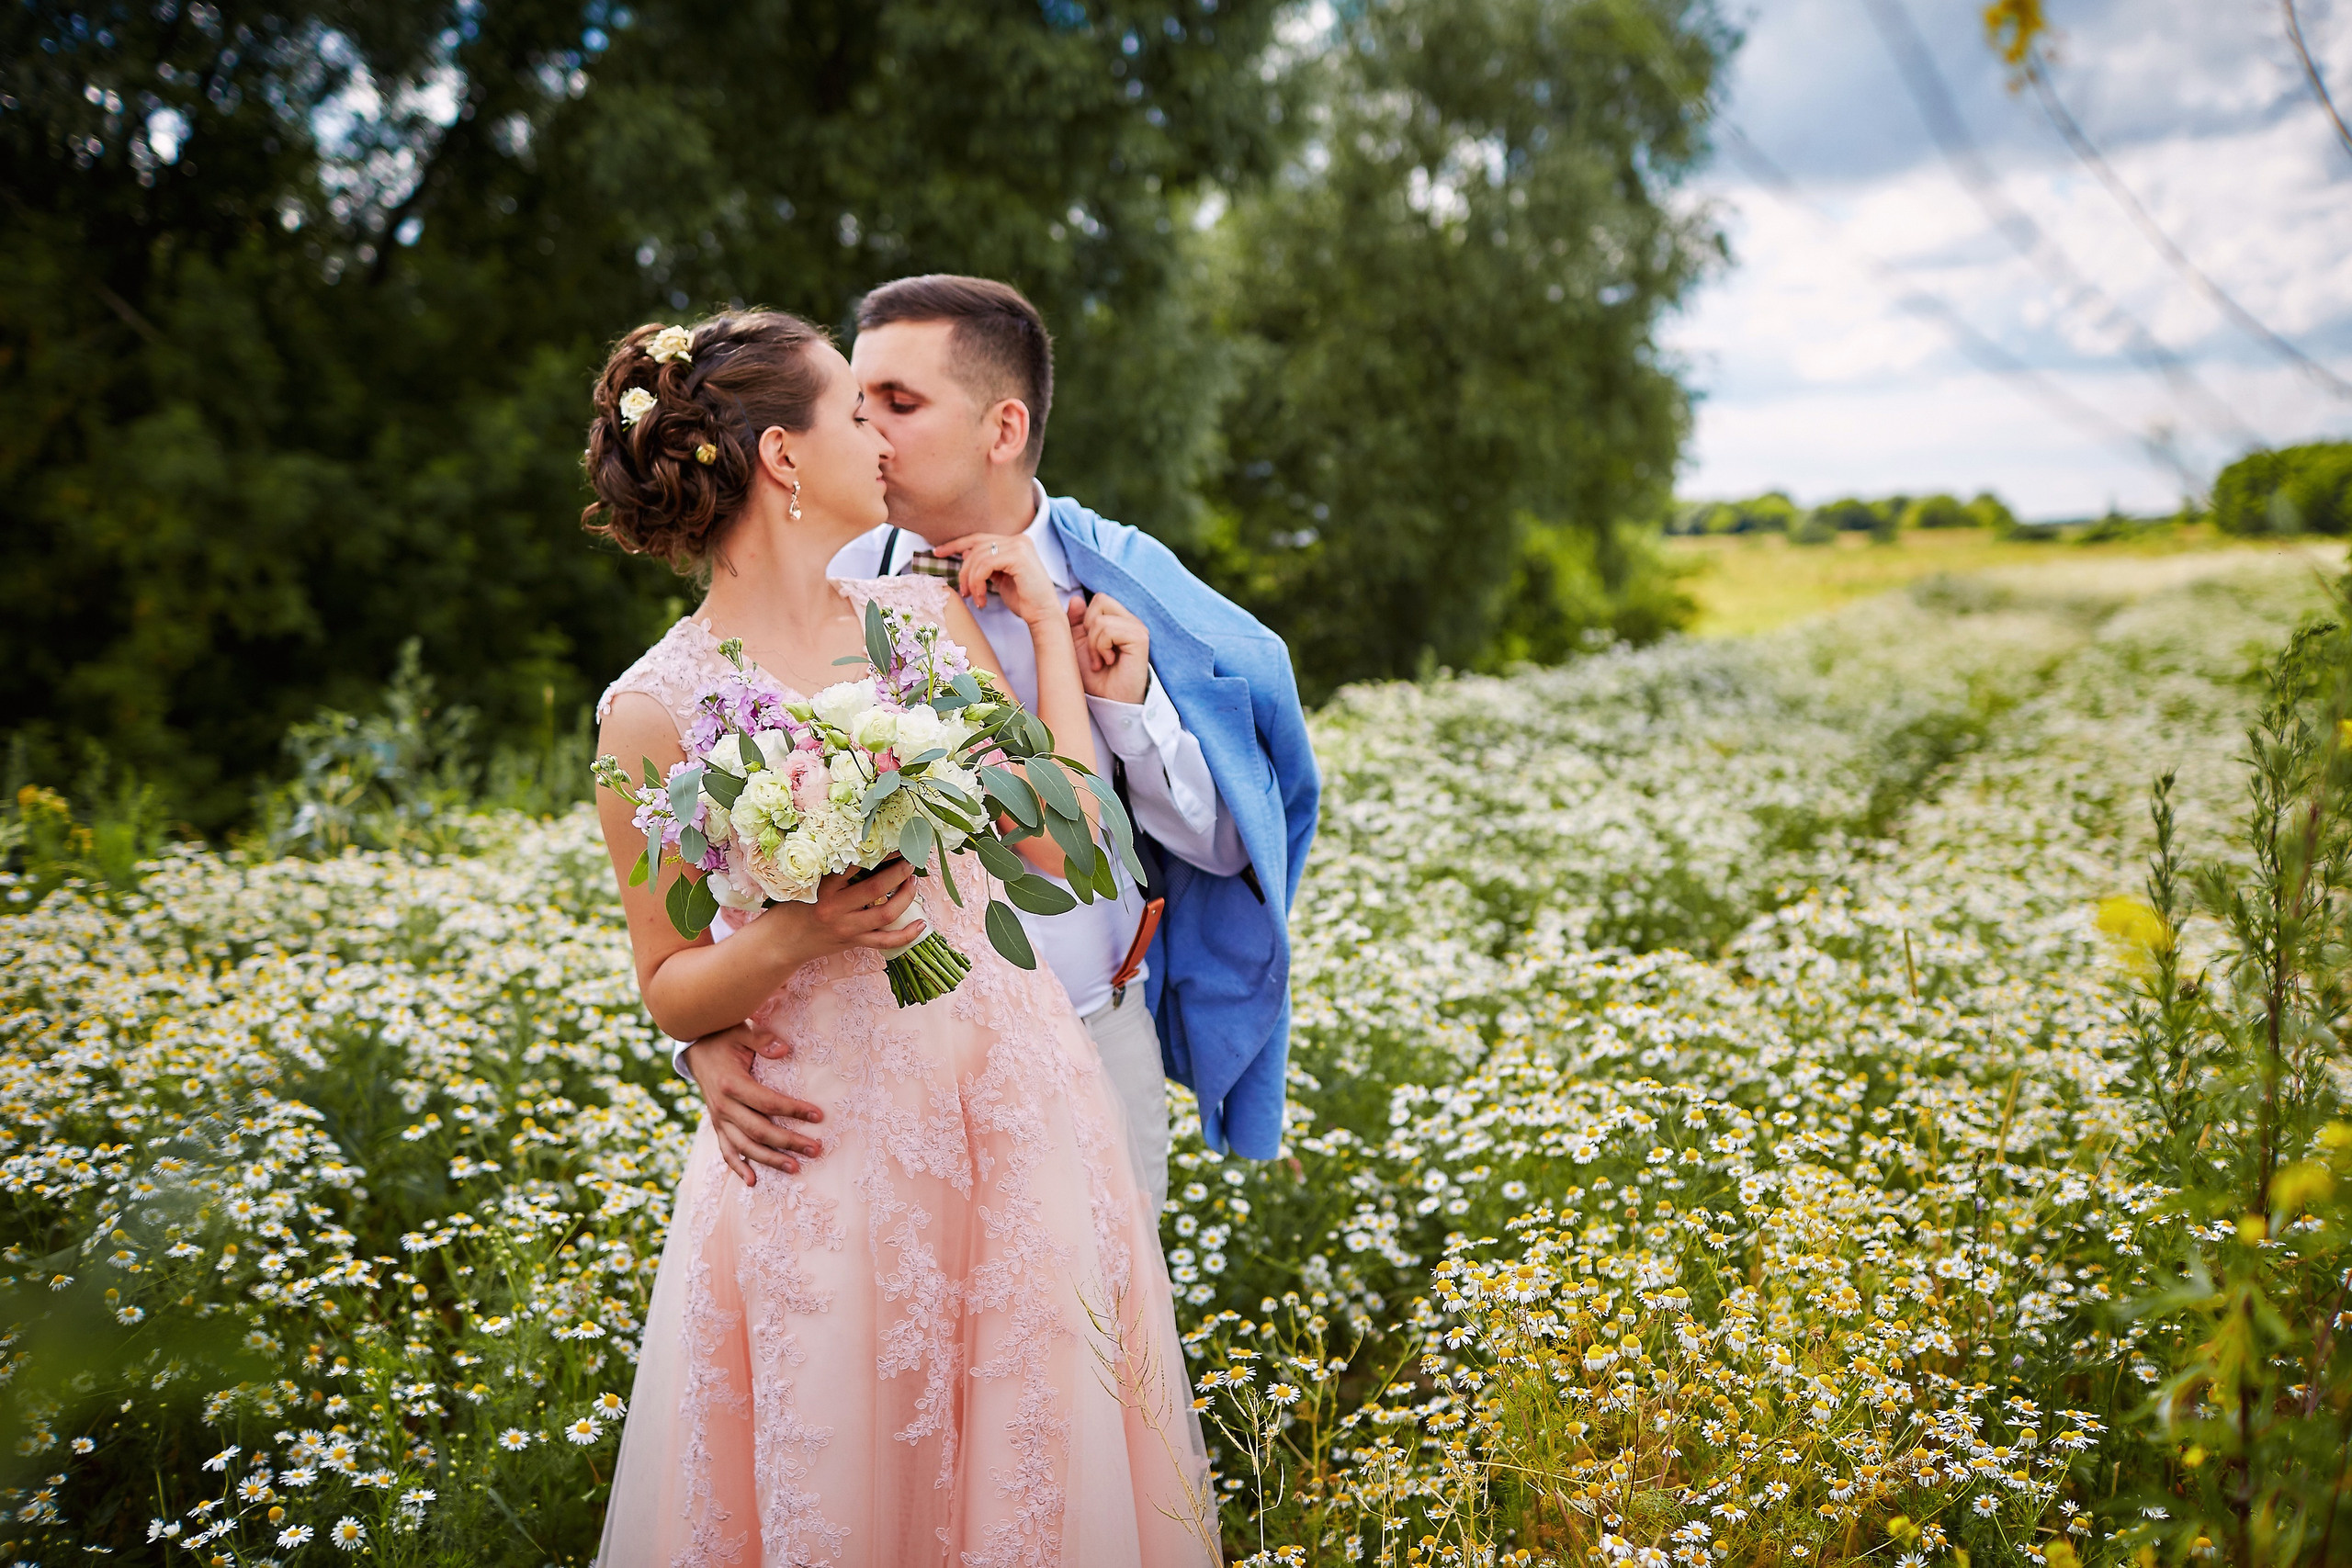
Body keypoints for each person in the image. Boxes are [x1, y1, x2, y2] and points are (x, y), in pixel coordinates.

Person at [583, 310, 1216, 1566]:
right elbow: (668, 982)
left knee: (1033, 1457)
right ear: (779, 456)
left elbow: (1066, 844)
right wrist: (798, 932)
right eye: (848, 410)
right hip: (823, 1144)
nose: (874, 436)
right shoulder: (651, 710)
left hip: (1009, 1102)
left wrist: (1042, 628)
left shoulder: (916, 622)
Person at [680, 276, 1318, 1217]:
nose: (871, 435)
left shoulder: (1132, 594)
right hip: (884, 1074)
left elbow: (1230, 850)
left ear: (1004, 430)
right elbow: (710, 821)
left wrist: (1131, 709)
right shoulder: (818, 585)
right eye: (856, 408)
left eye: (900, 404)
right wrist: (698, 1039)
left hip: (1094, 1036)